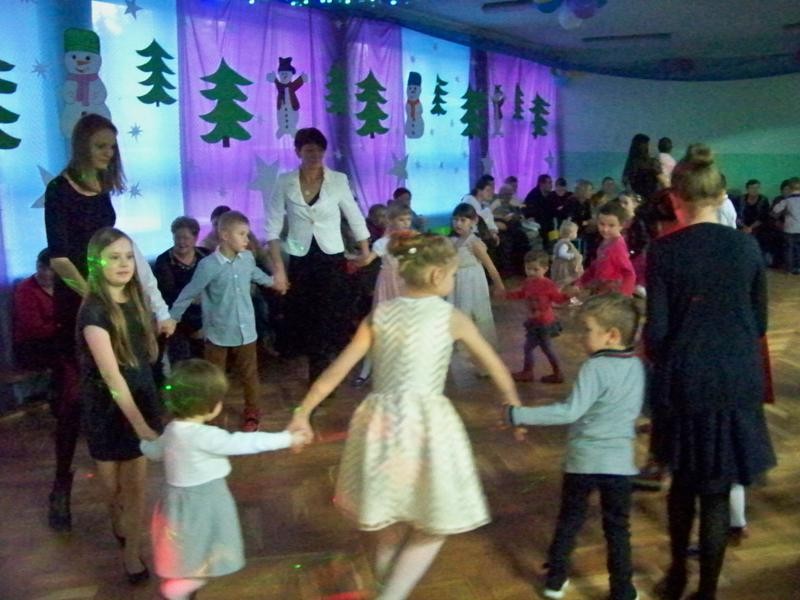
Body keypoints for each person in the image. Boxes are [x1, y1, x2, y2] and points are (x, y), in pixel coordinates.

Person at [288, 233, 522, 600]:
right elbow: (494, 366)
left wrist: (303, 412)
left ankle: (389, 590)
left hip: (379, 423)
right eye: (453, 274)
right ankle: (392, 595)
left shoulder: (380, 315)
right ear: (437, 276)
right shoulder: (451, 317)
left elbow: (336, 371)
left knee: (386, 515)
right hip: (426, 425)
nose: (453, 279)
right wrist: (513, 406)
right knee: (436, 520)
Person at [645, 145, 776, 600]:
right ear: (722, 195)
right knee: (717, 493)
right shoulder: (747, 246)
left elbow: (657, 333)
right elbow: (759, 323)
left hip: (685, 380)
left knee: (683, 485)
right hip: (736, 377)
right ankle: (707, 592)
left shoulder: (664, 250)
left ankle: (677, 576)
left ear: (674, 198)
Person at [43, 113, 174, 532]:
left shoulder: (102, 190)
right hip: (78, 306)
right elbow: (60, 258)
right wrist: (94, 296)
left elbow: (111, 247)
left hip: (109, 301)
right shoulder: (58, 190)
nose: (108, 153)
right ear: (83, 145)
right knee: (74, 399)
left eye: (112, 147)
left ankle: (126, 486)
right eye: (101, 146)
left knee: (125, 380)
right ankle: (61, 484)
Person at [507, 293, 644, 600]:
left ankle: (555, 580)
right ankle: (623, 590)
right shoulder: (636, 366)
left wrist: (518, 414)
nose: (582, 336)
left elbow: (570, 412)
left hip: (583, 462)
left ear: (612, 335)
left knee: (570, 521)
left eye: (588, 330)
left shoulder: (594, 368)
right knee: (618, 529)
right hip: (620, 466)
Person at [141, 359, 308, 600]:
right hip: (205, 501)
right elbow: (246, 442)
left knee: (186, 546)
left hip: (176, 502)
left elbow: (155, 451)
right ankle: (185, 584)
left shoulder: (172, 430)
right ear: (209, 406)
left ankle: (183, 580)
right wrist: (287, 439)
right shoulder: (206, 436)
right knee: (209, 546)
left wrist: (143, 443)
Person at [76, 227, 163, 584]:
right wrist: (139, 424)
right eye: (114, 257)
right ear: (97, 264)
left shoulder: (137, 298)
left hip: (141, 398)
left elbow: (143, 356)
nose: (124, 264)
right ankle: (118, 520)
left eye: (128, 256)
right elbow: (112, 377)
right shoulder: (93, 312)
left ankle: (132, 554)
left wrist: (145, 419)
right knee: (113, 491)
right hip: (107, 410)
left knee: (136, 488)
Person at [265, 127, 371, 383]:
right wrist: (278, 269)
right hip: (300, 257)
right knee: (306, 314)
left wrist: (365, 250)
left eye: (319, 150)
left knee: (329, 314)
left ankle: (323, 370)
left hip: (331, 256)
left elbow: (354, 215)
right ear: (298, 152)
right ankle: (316, 367)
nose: (314, 155)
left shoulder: (338, 180)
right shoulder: (284, 181)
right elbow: (272, 227)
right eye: (309, 150)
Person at [170, 211, 276, 432]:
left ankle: (252, 411)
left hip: (246, 331)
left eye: (247, 234)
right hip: (218, 333)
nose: (247, 239)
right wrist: (172, 318)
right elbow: (189, 292)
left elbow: (256, 275)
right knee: (214, 377)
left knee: (249, 374)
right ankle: (212, 415)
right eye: (242, 234)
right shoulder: (208, 265)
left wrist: (274, 282)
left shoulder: (247, 258)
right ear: (225, 236)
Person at [352, 204, 414, 386]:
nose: (406, 223)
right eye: (401, 220)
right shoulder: (383, 242)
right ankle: (368, 369)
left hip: (406, 283)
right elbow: (368, 259)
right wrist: (354, 259)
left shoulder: (413, 240)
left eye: (408, 219)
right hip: (388, 285)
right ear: (391, 221)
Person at [506, 251, 571, 384]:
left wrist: (568, 295)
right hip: (534, 322)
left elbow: (558, 299)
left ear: (545, 269)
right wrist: (507, 295)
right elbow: (522, 294)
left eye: (535, 269)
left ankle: (554, 373)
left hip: (544, 323)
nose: (531, 272)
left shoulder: (548, 284)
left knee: (545, 349)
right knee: (531, 348)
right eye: (528, 269)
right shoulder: (528, 282)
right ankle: (529, 372)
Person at [153, 217, 210, 367]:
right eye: (177, 237)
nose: (181, 242)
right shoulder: (164, 261)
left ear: (195, 238)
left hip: (207, 312)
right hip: (177, 316)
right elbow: (168, 295)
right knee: (182, 358)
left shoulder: (206, 255)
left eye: (186, 238)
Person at [449, 203, 506, 351]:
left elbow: (490, 266)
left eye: (463, 220)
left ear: (473, 221)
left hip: (472, 283)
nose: (458, 223)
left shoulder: (474, 242)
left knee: (474, 312)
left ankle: (479, 350)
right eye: (455, 219)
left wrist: (499, 285)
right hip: (457, 282)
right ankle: (462, 346)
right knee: (458, 310)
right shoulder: (453, 241)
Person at [573, 202, 636, 296]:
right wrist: (580, 282)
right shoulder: (606, 242)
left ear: (622, 225)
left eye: (611, 225)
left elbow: (629, 273)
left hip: (611, 296)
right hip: (601, 291)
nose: (605, 229)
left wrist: (623, 297)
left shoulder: (617, 247)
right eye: (602, 224)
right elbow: (595, 266)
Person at [12, 249, 57, 371]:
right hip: (33, 344)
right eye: (41, 267)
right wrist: (62, 325)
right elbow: (33, 329)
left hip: (56, 336)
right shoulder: (26, 290)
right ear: (36, 264)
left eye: (51, 269)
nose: (46, 273)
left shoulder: (63, 285)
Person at [739, 179, 772, 263]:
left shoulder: (763, 200)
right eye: (752, 188)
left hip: (759, 228)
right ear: (747, 189)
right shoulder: (740, 199)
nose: (755, 190)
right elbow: (736, 215)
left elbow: (764, 217)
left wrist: (750, 228)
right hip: (742, 227)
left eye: (757, 188)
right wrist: (744, 227)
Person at [621, 133, 663, 202]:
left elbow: (625, 181)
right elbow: (662, 181)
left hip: (638, 200)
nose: (652, 147)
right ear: (645, 147)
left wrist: (634, 196)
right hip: (652, 199)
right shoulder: (652, 163)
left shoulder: (631, 163)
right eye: (649, 144)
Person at [771, 177, 800, 274]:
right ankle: (798, 267)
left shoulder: (787, 201)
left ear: (790, 188)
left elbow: (774, 212)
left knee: (789, 249)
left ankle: (789, 269)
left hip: (789, 229)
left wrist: (783, 214)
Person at [461, 175, 499, 245]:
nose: (492, 192)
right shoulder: (469, 200)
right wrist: (491, 207)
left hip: (481, 235)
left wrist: (493, 231)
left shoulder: (483, 204)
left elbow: (489, 222)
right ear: (479, 190)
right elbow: (477, 220)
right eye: (488, 190)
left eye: (493, 189)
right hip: (469, 237)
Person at [550, 220, 584, 289]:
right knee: (563, 280)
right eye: (575, 232)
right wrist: (572, 255)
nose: (576, 234)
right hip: (565, 266)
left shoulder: (563, 242)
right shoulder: (565, 243)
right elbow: (562, 253)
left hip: (567, 264)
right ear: (570, 234)